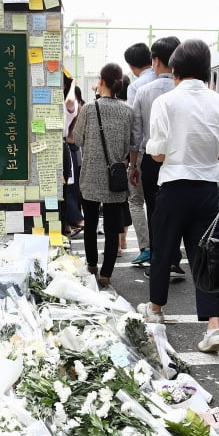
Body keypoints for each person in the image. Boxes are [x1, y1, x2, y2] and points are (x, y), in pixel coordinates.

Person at [141, 39, 219, 352]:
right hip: (208, 188)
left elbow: (156, 153)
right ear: (206, 70)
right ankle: (213, 326)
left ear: (175, 69)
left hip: (174, 185)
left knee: (164, 250)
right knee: (206, 258)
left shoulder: (166, 102)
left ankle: (155, 311)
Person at [70, 63, 134, 288]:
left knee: (90, 223)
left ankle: (92, 265)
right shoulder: (128, 111)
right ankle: (107, 273)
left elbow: (77, 139)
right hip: (115, 177)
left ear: (101, 81)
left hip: (90, 176)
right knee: (112, 227)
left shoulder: (89, 109)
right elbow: (129, 145)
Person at [129, 36, 183, 275]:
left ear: (156, 60)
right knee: (178, 208)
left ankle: (160, 259)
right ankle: (174, 258)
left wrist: (133, 165)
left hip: (152, 159)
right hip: (181, 158)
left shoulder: (143, 90)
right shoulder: (184, 89)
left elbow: (137, 133)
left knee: (154, 209)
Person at [123, 42, 154, 261]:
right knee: (159, 202)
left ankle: (145, 247)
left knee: (135, 200)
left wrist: (132, 163)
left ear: (132, 65)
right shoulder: (173, 81)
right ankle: (165, 251)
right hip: (168, 154)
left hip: (143, 151)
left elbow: (135, 127)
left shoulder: (137, 86)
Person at [62, 77, 85, 236]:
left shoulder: (71, 105)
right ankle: (67, 225)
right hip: (69, 148)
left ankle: (78, 220)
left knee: (69, 188)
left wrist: (73, 83)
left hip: (68, 148)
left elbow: (70, 100)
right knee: (68, 188)